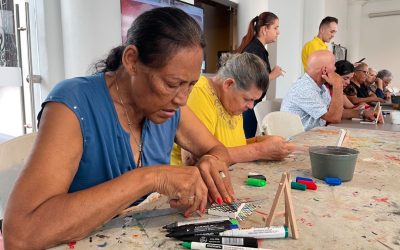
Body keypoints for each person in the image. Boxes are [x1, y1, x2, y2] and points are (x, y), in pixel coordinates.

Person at [3, 7, 234, 249]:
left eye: (191, 86)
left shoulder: (170, 107)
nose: (183, 99)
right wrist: (152, 177)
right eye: (171, 83)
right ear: (132, 60)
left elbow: (217, 149)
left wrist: (211, 163)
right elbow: (20, 235)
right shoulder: (73, 106)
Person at [170, 53, 294, 166]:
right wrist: (260, 149)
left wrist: (258, 141)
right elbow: (196, 158)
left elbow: (229, 145)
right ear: (228, 84)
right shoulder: (199, 93)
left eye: (253, 100)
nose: (251, 106)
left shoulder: (231, 99)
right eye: (247, 99)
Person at [236, 12, 284, 139]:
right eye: (275, 28)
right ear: (264, 29)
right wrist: (272, 75)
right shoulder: (255, 50)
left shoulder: (258, 48)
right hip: (246, 106)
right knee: (245, 141)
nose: (278, 32)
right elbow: (252, 81)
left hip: (249, 105)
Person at [281, 50, 343, 131]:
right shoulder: (304, 88)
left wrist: (361, 113)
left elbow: (333, 111)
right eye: (334, 65)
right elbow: (334, 118)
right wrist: (338, 85)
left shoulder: (320, 87)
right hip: (298, 140)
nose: (335, 68)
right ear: (324, 70)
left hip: (314, 136)